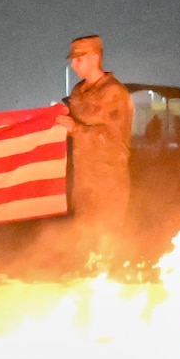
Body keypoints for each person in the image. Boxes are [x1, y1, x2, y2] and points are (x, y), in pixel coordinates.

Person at [53, 35, 133, 262]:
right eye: (73, 59)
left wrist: (76, 129)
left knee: (105, 244)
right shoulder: (79, 92)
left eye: (79, 58)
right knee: (84, 242)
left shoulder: (114, 93)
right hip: (84, 181)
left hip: (108, 183)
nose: (73, 64)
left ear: (96, 56)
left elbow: (115, 139)